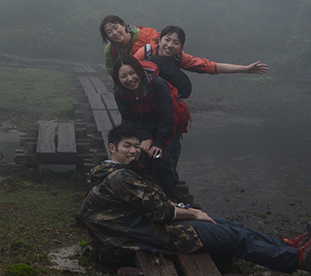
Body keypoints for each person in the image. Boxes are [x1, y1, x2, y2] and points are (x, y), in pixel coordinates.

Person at [79, 125, 311, 274]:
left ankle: (287, 244)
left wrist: (181, 207)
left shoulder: (114, 172)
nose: (133, 151)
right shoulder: (120, 177)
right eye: (126, 146)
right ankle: (299, 260)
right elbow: (160, 212)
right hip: (148, 235)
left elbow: (149, 202)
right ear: (113, 147)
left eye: (135, 146)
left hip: (142, 228)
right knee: (233, 239)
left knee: (229, 225)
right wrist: (194, 213)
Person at [112, 55, 190, 200]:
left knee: (161, 159)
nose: (129, 79)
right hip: (144, 125)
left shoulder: (157, 85)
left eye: (132, 73)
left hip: (169, 125)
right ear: (118, 79)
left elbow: (169, 116)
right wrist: (145, 137)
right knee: (141, 157)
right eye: (123, 76)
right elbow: (129, 119)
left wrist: (159, 143)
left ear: (139, 72)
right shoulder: (120, 93)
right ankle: (145, 195)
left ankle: (167, 198)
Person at [135, 25, 269, 98]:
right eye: (167, 40)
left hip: (164, 98)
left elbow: (210, 66)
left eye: (175, 43)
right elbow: (126, 69)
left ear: (181, 48)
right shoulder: (146, 52)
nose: (170, 45)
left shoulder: (180, 58)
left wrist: (245, 69)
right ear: (159, 40)